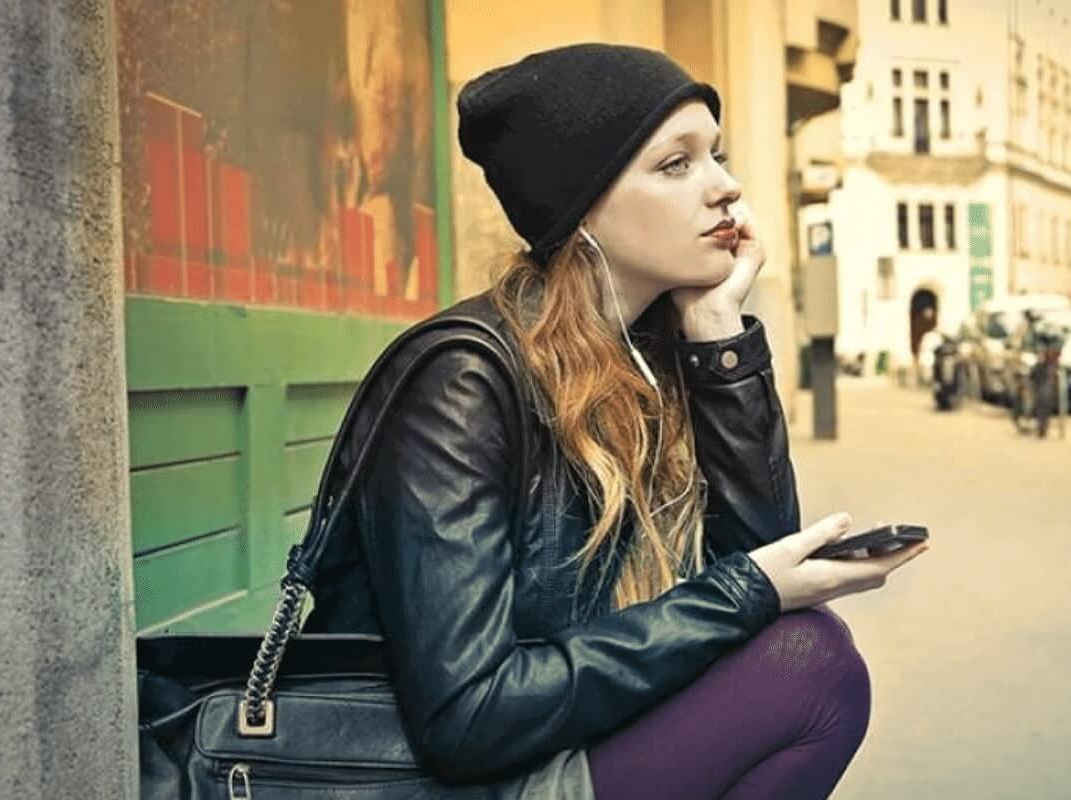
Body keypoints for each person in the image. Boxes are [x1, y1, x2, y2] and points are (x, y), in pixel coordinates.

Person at [303, 43, 929, 799]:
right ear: (583, 204)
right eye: (677, 164)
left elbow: (760, 576)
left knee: (809, 654)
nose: (727, 188)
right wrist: (746, 592)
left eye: (717, 156)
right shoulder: (464, 383)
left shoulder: (649, 359)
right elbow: (466, 716)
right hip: (458, 779)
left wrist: (720, 336)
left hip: (567, 746)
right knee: (814, 669)